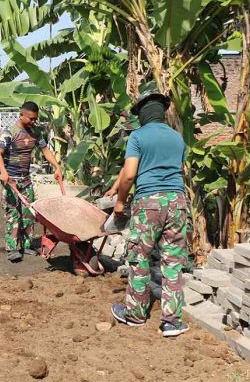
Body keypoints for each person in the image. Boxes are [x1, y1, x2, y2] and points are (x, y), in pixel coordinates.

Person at [109, 90, 191, 338]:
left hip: (149, 203)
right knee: (173, 262)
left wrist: (120, 202)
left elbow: (130, 173)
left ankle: (135, 314)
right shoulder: (178, 138)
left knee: (139, 258)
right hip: (177, 202)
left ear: (142, 113)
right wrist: (115, 185)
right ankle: (172, 322)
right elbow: (178, 169)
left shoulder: (137, 136)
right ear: (162, 112)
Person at [0, 102, 62, 263]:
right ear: (22, 115)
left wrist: (57, 167)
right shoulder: (9, 133)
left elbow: (45, 151)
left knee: (29, 213)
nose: (33, 121)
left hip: (26, 179)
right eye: (31, 119)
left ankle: (27, 244)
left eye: (35, 119)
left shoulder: (35, 133)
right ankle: (12, 248)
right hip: (9, 179)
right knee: (12, 214)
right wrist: (3, 172)